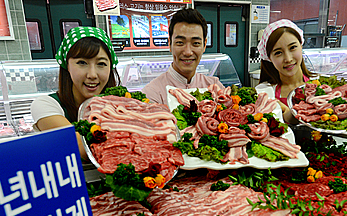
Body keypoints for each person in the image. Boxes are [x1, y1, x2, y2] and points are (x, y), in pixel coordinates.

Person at [30, 26, 120, 160]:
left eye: (101, 64)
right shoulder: (45, 105)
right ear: (67, 66)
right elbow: (83, 148)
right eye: (82, 62)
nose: (92, 74)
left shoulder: (121, 105)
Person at [142, 8, 224, 105]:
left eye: (196, 43)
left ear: (204, 45)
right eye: (180, 43)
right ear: (170, 44)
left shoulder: (215, 87)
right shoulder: (152, 93)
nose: (188, 52)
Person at [255, 19, 316, 124]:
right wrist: (283, 116)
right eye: (278, 53)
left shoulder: (320, 86)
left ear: (301, 46)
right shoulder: (264, 93)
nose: (288, 59)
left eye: (292, 48)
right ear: (269, 58)